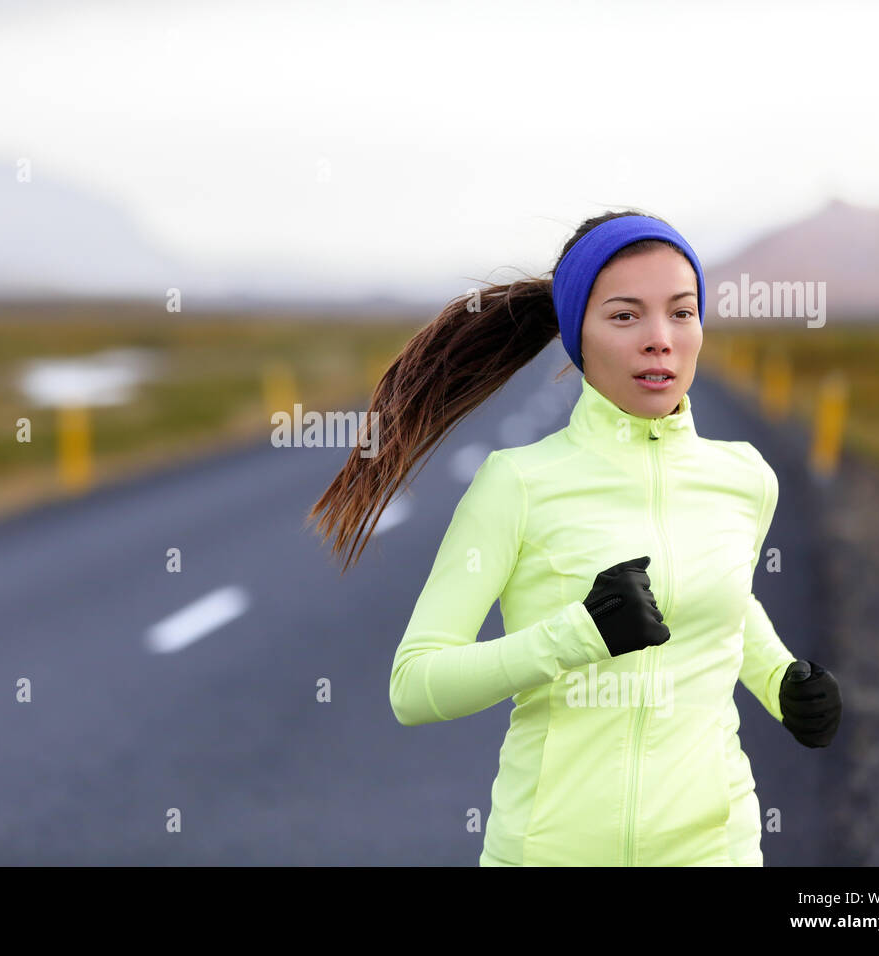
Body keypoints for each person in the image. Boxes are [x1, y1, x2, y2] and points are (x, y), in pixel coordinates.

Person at [307, 209, 842, 866]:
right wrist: (575, 636)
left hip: (719, 850)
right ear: (577, 336)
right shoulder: (517, 485)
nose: (660, 339)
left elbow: (727, 602)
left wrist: (780, 680)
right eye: (625, 316)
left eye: (681, 311)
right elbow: (413, 686)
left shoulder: (744, 478)